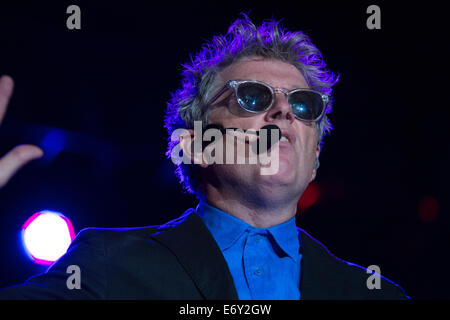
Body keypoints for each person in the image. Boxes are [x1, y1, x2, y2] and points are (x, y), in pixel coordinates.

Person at [0, 15, 409, 300]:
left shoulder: (374, 294)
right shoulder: (107, 269)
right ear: (195, 145)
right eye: (253, 96)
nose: (285, 112)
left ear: (315, 155)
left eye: (303, 105)